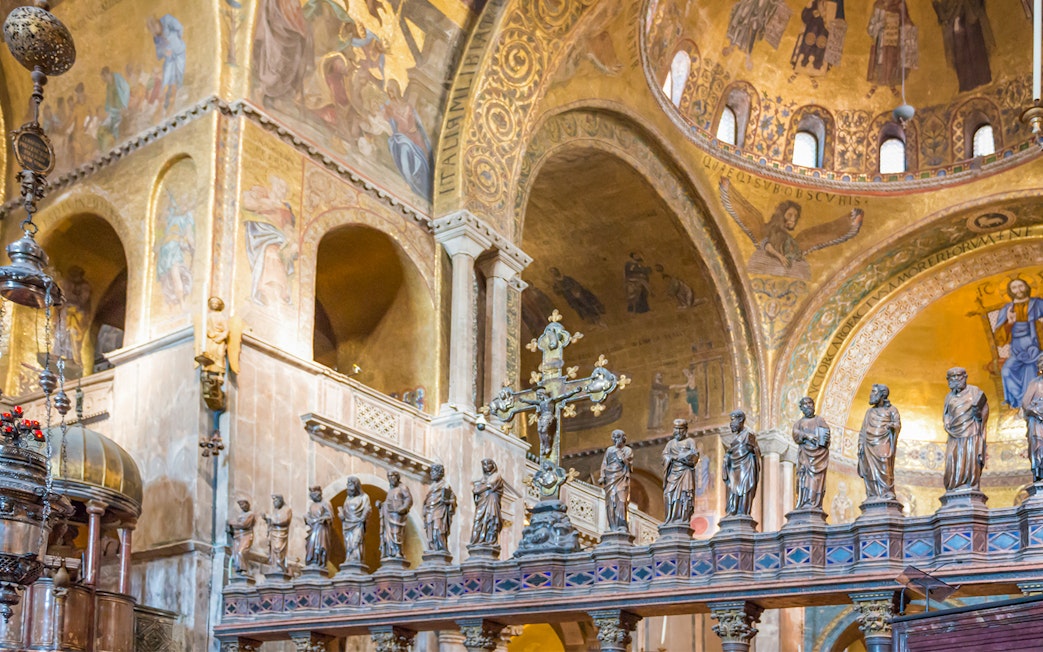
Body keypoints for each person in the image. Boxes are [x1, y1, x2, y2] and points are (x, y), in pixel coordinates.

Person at [992, 278, 1043, 409]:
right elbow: (999, 339)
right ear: (1010, 291)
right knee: (1007, 372)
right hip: (1017, 350)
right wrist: (1009, 322)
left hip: (1037, 348)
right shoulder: (1007, 309)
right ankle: (1023, 404)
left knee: (1033, 370)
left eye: (1021, 286)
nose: (1018, 290)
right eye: (1014, 288)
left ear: (1027, 287)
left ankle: (1034, 404)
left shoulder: (1037, 303)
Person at [942, 367, 989, 492]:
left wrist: (978, 414)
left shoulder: (975, 391)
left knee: (970, 458)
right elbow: (946, 413)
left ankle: (970, 484)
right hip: (954, 434)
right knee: (952, 460)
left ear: (965, 377)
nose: (956, 379)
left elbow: (984, 409)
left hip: (971, 432)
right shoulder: (949, 396)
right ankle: (954, 485)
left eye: (959, 376)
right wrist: (946, 422)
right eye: (952, 377)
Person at [857, 384, 902, 501]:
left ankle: (886, 492)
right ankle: (873, 494)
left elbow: (897, 424)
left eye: (873, 392)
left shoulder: (892, 410)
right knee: (869, 470)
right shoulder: (869, 412)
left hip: (884, 442)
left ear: (882, 394)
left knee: (884, 464)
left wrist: (892, 426)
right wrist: (860, 445)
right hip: (868, 445)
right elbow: (863, 430)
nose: (871, 394)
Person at [792, 396, 831, 510]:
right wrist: (806, 436)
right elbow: (796, 434)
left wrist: (826, 438)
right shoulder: (799, 423)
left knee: (815, 480)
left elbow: (826, 437)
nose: (809, 405)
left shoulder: (820, 420)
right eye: (805, 404)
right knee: (803, 480)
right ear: (801, 408)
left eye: (811, 403)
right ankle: (804, 502)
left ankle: (813, 503)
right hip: (805, 457)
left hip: (818, 458)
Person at [723, 410, 761, 517]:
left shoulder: (748, 434)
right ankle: (733, 510)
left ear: (741, 420)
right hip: (734, 469)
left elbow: (755, 450)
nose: (731, 423)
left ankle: (743, 511)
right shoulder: (736, 436)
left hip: (746, 466)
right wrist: (727, 457)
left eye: (733, 420)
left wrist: (751, 449)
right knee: (732, 490)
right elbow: (732, 450)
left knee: (745, 489)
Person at [662, 419, 699, 523]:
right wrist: (671, 458)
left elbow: (695, 455)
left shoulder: (690, 441)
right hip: (673, 474)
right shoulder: (670, 443)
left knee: (684, 497)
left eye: (680, 429)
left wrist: (682, 457)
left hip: (685, 473)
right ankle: (670, 519)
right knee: (668, 494)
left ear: (685, 430)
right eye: (676, 428)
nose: (678, 431)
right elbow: (664, 456)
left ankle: (682, 519)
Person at [148, 14, 186, 110]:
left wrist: (176, 40)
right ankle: (168, 102)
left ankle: (180, 94)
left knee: (179, 74)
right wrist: (164, 51)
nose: (155, 31)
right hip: (169, 59)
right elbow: (159, 53)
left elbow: (179, 27)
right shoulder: (156, 37)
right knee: (167, 79)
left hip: (179, 51)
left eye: (155, 27)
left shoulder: (167, 20)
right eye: (152, 30)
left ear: (157, 22)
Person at [599, 430, 634, 532]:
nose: (615, 439)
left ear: (623, 438)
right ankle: (613, 525)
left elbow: (629, 465)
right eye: (614, 437)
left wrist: (621, 456)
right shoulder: (609, 450)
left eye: (618, 437)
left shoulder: (627, 450)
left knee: (621, 500)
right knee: (611, 502)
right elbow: (604, 464)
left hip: (622, 478)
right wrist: (602, 475)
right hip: (610, 478)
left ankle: (622, 525)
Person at [377, 470, 412, 559]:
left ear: (397, 477)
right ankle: (391, 552)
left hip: (397, 515)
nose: (390, 478)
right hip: (389, 514)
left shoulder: (402, 487)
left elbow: (409, 499)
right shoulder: (391, 489)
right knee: (387, 535)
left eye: (392, 476)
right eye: (389, 476)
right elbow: (388, 502)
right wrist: (381, 505)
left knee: (396, 533)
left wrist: (404, 508)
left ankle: (398, 552)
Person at [422, 463, 456, 552]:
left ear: (440, 473)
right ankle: (432, 548)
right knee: (430, 530)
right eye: (431, 472)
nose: (432, 474)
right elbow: (427, 500)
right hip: (430, 510)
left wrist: (447, 502)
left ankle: (441, 548)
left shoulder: (445, 486)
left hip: (440, 510)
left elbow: (453, 500)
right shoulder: (431, 486)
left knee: (438, 530)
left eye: (434, 471)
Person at [470, 458, 503, 546]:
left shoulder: (496, 475)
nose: (486, 466)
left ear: (493, 465)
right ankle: (476, 542)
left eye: (488, 464)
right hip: (482, 502)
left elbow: (490, 484)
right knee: (478, 520)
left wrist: (479, 489)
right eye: (484, 465)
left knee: (491, 519)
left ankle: (490, 541)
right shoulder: (482, 478)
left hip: (491, 501)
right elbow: (477, 491)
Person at [339, 476, 371, 564]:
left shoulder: (364, 497)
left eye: (352, 489)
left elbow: (367, 508)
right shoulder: (348, 499)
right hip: (347, 524)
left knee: (356, 542)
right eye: (348, 489)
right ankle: (349, 558)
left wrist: (363, 517)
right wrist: (342, 515)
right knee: (348, 542)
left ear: (356, 487)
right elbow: (345, 511)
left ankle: (356, 559)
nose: (350, 491)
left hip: (358, 523)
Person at [1021, 358, 1043, 483]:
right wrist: (1037, 412)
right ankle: (1040, 473)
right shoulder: (1035, 384)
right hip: (1037, 423)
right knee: (1039, 447)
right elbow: (1025, 403)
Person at [304, 485, 332, 568]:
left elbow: (330, 516)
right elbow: (309, 515)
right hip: (313, 529)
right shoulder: (312, 505)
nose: (314, 498)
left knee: (320, 545)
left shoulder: (326, 503)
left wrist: (323, 519)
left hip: (321, 528)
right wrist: (306, 518)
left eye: (315, 495)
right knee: (310, 545)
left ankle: (320, 561)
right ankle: (312, 560)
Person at [226, 498, 255, 576]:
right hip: (237, 536)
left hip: (246, 535)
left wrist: (233, 523)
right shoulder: (240, 515)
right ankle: (238, 570)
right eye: (240, 505)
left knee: (241, 552)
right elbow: (237, 525)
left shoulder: (250, 514)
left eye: (243, 504)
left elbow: (244, 524)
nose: (242, 506)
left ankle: (244, 570)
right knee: (235, 553)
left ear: (247, 504)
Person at [263, 494, 292, 571]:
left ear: (280, 501)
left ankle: (280, 565)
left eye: (276, 501)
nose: (274, 503)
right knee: (273, 550)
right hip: (273, 533)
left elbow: (285, 520)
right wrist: (266, 519)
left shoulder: (287, 510)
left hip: (281, 533)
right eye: (273, 502)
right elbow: (272, 520)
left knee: (279, 548)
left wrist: (271, 519)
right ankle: (274, 566)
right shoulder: (275, 510)